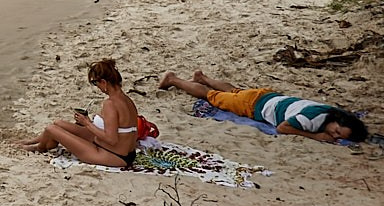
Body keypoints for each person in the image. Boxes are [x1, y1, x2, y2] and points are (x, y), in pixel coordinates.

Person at [157, 70, 370, 143]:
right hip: (255, 106)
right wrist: (316, 137)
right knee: (211, 96)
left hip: (267, 97)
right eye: (337, 131)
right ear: (336, 122)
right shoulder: (312, 119)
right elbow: (283, 128)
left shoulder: (332, 112)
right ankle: (174, 79)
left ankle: (203, 77)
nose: (335, 134)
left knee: (235, 91)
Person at [20, 57, 142, 167]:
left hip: (113, 155)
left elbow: (112, 139)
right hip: (123, 152)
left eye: (95, 83)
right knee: (58, 123)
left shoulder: (110, 104)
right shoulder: (127, 100)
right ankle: (34, 141)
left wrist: (87, 123)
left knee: (51, 129)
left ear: (104, 82)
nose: (97, 87)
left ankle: (39, 148)